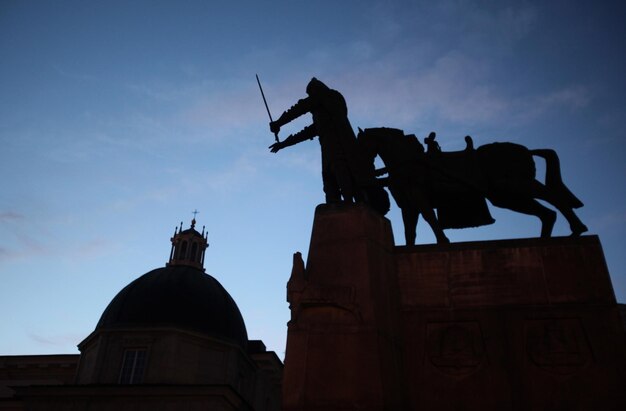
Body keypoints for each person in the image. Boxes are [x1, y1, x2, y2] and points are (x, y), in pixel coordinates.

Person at [269, 78, 370, 204]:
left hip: (342, 152)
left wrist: (279, 122)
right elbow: (305, 133)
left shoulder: (330, 96)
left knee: (349, 190)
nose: (310, 97)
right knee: (331, 193)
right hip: (329, 155)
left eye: (310, 94)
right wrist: (283, 144)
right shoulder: (324, 115)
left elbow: (301, 107)